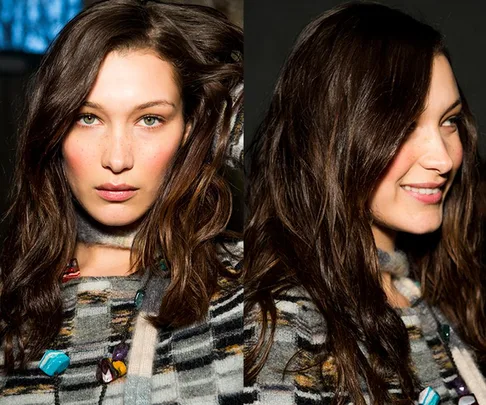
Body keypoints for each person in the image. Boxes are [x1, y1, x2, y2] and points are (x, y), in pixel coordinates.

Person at [0, 0, 243, 403]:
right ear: (54, 130)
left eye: (150, 119)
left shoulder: (250, 292)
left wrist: (226, 126)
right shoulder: (12, 298)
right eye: (87, 117)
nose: (117, 159)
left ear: (190, 129)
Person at [244, 3, 486, 405]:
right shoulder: (285, 330)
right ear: (329, 138)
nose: (443, 159)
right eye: (404, 126)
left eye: (449, 120)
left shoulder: (443, 292)